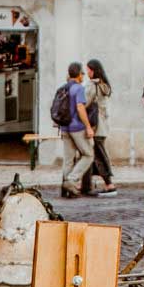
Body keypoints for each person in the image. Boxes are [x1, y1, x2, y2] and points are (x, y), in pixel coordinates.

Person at [50, 61, 94, 200]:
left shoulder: (64, 87)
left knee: (68, 159)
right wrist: (87, 126)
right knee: (88, 154)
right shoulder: (78, 88)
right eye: (82, 73)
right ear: (78, 74)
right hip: (76, 127)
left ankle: (66, 188)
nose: (83, 76)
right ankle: (72, 180)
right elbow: (80, 108)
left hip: (64, 127)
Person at [83, 59, 117, 195]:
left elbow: (84, 103)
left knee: (99, 155)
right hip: (102, 125)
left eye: (89, 70)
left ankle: (109, 185)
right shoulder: (104, 85)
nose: (87, 72)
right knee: (94, 154)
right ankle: (86, 185)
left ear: (94, 70)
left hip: (95, 127)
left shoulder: (92, 86)